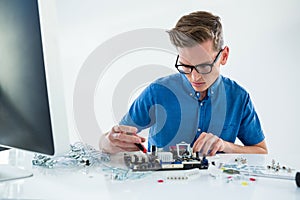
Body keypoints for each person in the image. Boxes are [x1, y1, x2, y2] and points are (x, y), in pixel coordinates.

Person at [99, 11, 268, 156]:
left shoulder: (239, 98)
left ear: (223, 56)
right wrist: (109, 140)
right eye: (186, 66)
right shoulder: (158, 92)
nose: (194, 77)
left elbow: (261, 151)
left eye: (204, 66)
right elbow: (109, 143)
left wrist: (225, 146)